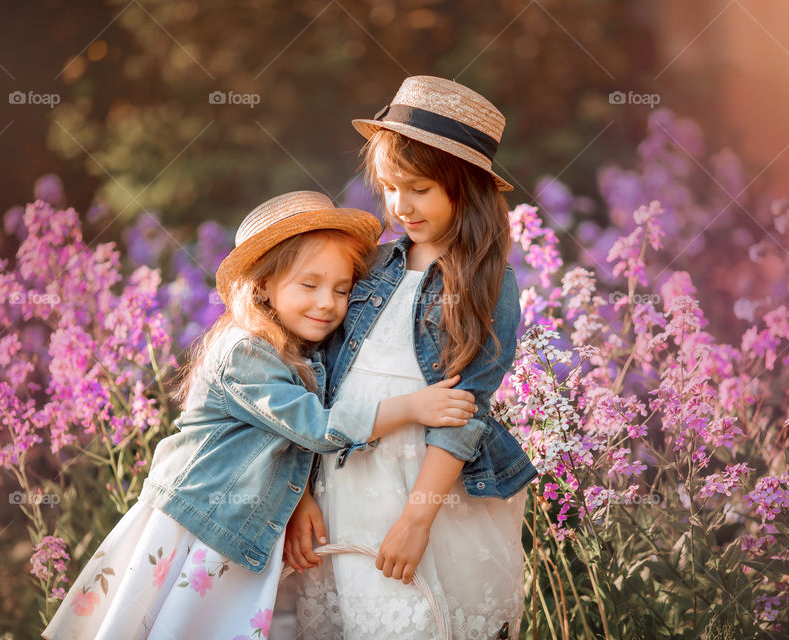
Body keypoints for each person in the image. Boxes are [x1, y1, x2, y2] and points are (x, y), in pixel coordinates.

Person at [41, 190, 478, 640]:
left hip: (233, 526)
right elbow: (315, 427)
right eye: (309, 285)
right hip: (203, 525)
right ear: (264, 284)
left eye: (342, 289)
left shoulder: (302, 349)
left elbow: (285, 441)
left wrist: (301, 496)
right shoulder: (246, 350)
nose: (327, 302)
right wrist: (412, 407)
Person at [287, 77, 538, 640]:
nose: (400, 205)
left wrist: (417, 519)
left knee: (419, 619)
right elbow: (312, 384)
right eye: (389, 187)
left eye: (418, 188)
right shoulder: (370, 266)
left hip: (430, 491)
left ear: (466, 187)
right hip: (346, 480)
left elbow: (465, 408)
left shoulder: (488, 284)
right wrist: (300, 494)